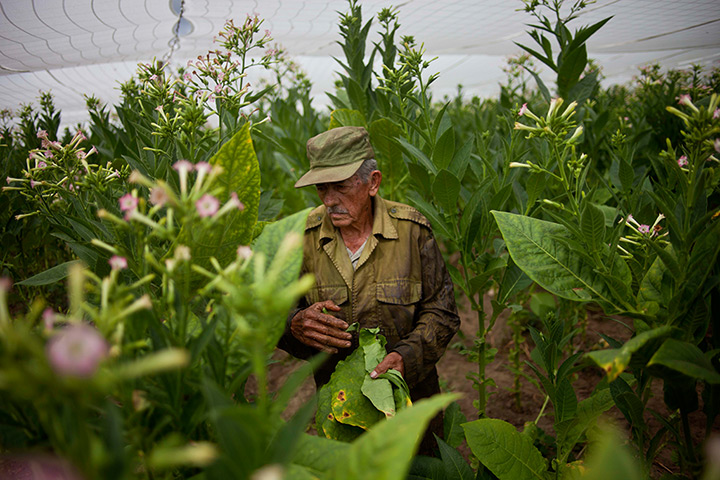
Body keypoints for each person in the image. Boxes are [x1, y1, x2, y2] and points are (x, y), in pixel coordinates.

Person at [278, 126, 460, 452]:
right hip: (340, 412)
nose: (330, 200)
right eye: (322, 188)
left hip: (412, 404)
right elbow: (272, 314)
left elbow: (442, 310)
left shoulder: (411, 231)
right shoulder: (301, 239)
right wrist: (293, 324)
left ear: (373, 182)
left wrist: (406, 358)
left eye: (341, 187)